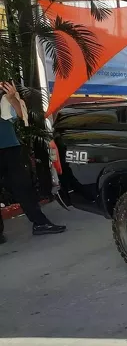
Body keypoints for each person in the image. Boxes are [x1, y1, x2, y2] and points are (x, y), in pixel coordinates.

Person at [0, 81, 65, 244]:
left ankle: (40, 223)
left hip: (10, 147)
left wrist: (12, 98)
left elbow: (21, 116)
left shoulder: (4, 95)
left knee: (23, 186)